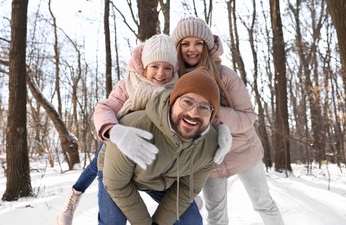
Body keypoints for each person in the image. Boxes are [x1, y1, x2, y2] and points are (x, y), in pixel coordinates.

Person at [171, 16, 284, 224]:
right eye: (185, 43)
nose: (192, 49)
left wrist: (210, 111)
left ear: (206, 46)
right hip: (209, 160)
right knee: (216, 216)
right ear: (178, 47)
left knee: (264, 204)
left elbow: (248, 117)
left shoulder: (225, 76)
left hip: (243, 151)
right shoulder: (175, 81)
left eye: (198, 43)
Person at [56, 34, 179, 225]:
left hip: (149, 156)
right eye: (154, 66)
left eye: (167, 68)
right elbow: (105, 108)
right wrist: (116, 132)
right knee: (97, 164)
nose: (160, 73)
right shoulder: (128, 84)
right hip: (119, 142)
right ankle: (74, 195)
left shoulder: (177, 90)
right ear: (145, 67)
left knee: (96, 165)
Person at [97, 67, 221, 224]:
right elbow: (117, 185)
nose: (193, 113)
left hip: (160, 181)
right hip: (117, 178)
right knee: (111, 222)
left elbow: (186, 189)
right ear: (172, 101)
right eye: (187, 102)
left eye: (204, 107)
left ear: (212, 115)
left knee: (191, 220)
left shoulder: (210, 145)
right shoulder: (132, 128)